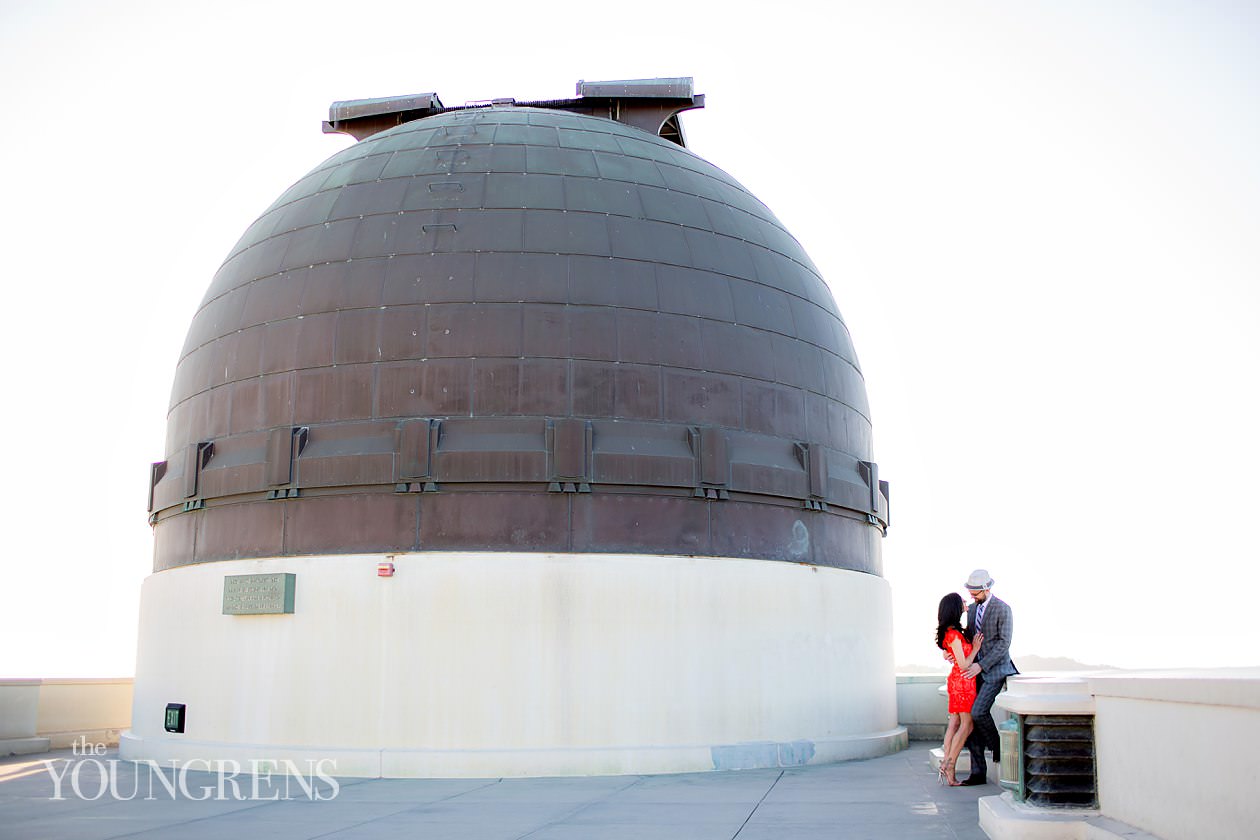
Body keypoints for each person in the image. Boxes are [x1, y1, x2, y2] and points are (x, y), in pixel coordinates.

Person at [958, 569, 1018, 786]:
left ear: (987, 588)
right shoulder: (972, 610)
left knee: (978, 711)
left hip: (996, 670)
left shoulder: (1004, 609)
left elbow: (1004, 643)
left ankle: (998, 748)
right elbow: (968, 637)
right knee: (970, 719)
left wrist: (981, 666)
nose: (972, 595)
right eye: (970, 591)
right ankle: (977, 774)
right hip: (973, 671)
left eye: (975, 591)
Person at [935, 592, 983, 786]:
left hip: (957, 681)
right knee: (967, 724)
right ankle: (949, 764)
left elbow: (952, 655)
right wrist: (976, 649)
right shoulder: (953, 634)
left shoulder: (952, 632)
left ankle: (948, 770)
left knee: (954, 722)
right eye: (962, 601)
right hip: (963, 681)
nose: (966, 603)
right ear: (955, 607)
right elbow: (964, 665)